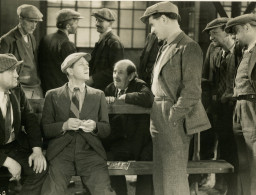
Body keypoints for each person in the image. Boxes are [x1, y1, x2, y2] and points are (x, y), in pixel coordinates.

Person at [140, 2, 211, 195]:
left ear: (164, 19)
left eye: (153, 25)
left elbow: (192, 91)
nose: (152, 31)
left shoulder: (188, 46)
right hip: (158, 114)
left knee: (173, 175)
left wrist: (173, 117)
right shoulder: (165, 46)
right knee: (160, 174)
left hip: (172, 117)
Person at [40, 52, 115, 195]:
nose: (87, 67)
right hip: (61, 153)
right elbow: (46, 129)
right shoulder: (52, 95)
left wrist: (94, 126)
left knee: (104, 192)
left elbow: (106, 129)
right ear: (69, 70)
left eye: (87, 65)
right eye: (81, 65)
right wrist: (64, 126)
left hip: (90, 152)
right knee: (51, 192)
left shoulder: (98, 95)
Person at [202, 17, 241, 194]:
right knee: (218, 147)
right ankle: (219, 185)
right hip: (217, 107)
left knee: (235, 150)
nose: (211, 38)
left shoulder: (242, 50)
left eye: (214, 33)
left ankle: (234, 189)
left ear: (227, 32)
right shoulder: (214, 49)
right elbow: (206, 78)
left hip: (237, 108)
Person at [104, 59, 154, 195]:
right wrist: (107, 101)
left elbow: (148, 98)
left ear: (131, 76)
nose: (116, 76)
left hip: (140, 141)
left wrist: (126, 97)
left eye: (120, 72)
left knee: (147, 164)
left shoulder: (139, 85)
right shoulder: (110, 88)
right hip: (121, 142)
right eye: (114, 72)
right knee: (110, 159)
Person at [0, 53, 47, 195]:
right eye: (11, 71)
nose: (16, 75)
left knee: (40, 169)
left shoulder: (16, 89)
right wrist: (7, 162)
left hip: (14, 146)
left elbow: (30, 119)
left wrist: (37, 150)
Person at [225, 13, 256, 195]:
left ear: (248, 27)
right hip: (240, 107)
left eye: (235, 31)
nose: (234, 37)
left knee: (254, 159)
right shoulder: (244, 51)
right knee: (243, 161)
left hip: (252, 107)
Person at [0, 4, 43, 99]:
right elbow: (1, 69)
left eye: (36, 22)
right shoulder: (7, 40)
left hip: (35, 86)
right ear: (20, 20)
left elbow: (33, 62)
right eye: (31, 21)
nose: (34, 26)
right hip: (19, 87)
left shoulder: (31, 37)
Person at [38, 9, 83, 95]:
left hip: (45, 87)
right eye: (76, 23)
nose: (78, 26)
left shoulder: (46, 39)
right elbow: (73, 72)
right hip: (61, 89)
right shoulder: (67, 44)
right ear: (68, 26)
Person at [87, 8, 124, 91]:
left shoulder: (114, 42)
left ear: (110, 23)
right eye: (96, 20)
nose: (96, 24)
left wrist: (93, 79)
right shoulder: (102, 39)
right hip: (97, 87)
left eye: (100, 21)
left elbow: (116, 70)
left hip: (107, 89)